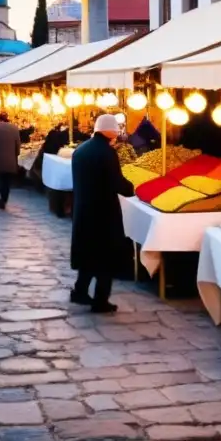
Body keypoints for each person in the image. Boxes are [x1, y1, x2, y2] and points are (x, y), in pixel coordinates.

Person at [70, 114, 135, 314]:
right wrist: (132, 188)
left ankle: (80, 291)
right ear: (107, 130)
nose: (116, 133)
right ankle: (100, 300)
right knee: (106, 257)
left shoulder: (80, 150)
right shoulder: (107, 153)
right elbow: (117, 182)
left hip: (83, 209)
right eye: (114, 129)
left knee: (89, 253)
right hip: (103, 212)